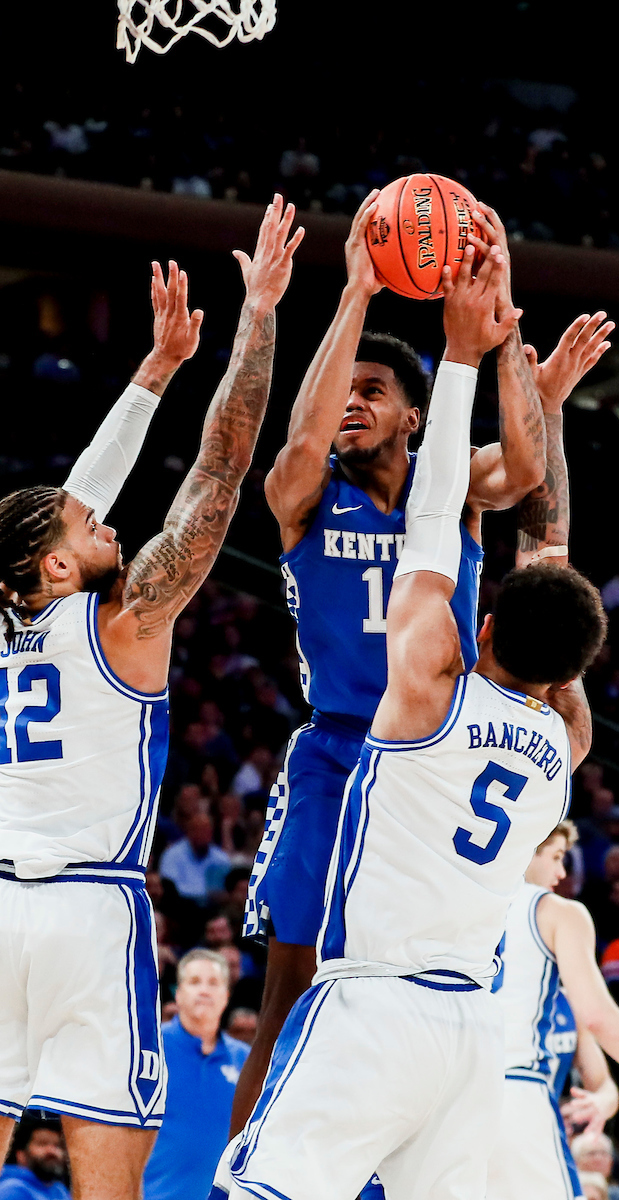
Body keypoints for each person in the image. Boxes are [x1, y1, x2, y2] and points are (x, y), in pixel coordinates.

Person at [208, 225, 609, 1200]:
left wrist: (531, 386)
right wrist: (349, 295)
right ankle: (250, 1167)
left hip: (434, 750)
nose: (351, 402)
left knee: (405, 983)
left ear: (414, 415)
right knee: (292, 990)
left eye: (372, 391)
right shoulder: (309, 501)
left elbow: (521, 470)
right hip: (341, 751)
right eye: (347, 387)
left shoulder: (455, 495)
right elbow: (297, 441)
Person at [0, 197, 303, 1200]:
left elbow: (75, 504)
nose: (108, 524)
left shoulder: (13, 620)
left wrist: (155, 367)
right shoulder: (125, 620)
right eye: (85, 526)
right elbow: (218, 467)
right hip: (90, 912)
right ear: (49, 559)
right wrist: (257, 312)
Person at [487, 820, 619, 1200]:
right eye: (557, 858)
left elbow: (605, 1085)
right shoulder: (502, 980)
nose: (562, 875)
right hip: (511, 1109)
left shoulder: (569, 1006)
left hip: (538, 1120)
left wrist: (600, 1103)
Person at [142, 950, 250, 1200]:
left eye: (213, 983)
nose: (204, 990)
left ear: (226, 996)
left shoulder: (245, 1061)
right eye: (194, 982)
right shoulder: (150, 1049)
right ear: (178, 994)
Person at [0, 1122, 70, 1199]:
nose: (51, 1151)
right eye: (42, 1143)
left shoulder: (59, 1190)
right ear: (21, 1155)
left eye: (58, 1145)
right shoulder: (12, 1190)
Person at [571, 1132, 619, 1200]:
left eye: (603, 1153)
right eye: (592, 1153)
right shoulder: (569, 1191)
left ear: (611, 1162)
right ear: (576, 1161)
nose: (598, 1159)